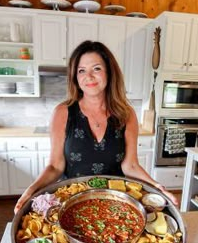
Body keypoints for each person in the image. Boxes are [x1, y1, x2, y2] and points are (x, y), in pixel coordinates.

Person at [14, 40, 178, 213]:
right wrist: (31, 189)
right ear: (75, 78)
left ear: (109, 72)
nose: (89, 76)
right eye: (81, 70)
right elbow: (55, 166)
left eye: (96, 68)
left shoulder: (126, 114)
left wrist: (156, 185)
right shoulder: (63, 113)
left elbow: (130, 165)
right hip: (73, 203)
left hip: (115, 201)